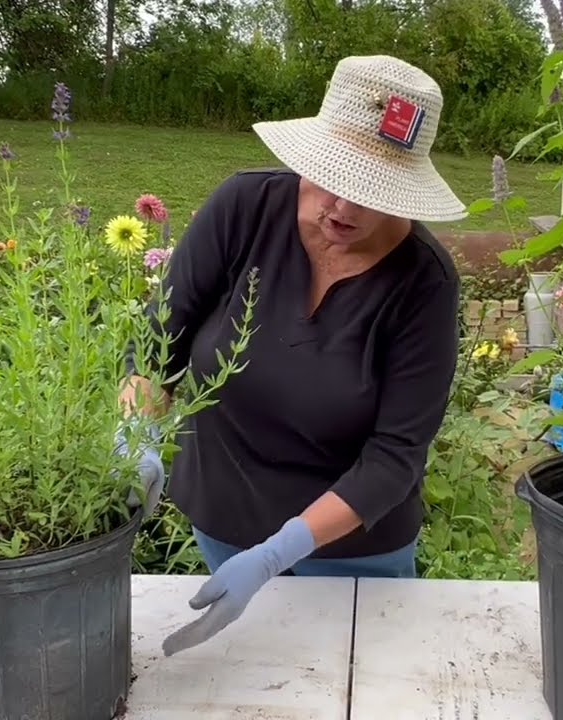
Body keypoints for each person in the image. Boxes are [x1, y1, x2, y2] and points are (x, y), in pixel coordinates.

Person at [119, 55, 466, 658]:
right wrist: (135, 441)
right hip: (222, 518)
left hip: (353, 551)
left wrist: (280, 552)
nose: (345, 209)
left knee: (361, 683)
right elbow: (158, 342)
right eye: (333, 177)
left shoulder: (424, 282)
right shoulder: (244, 209)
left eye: (371, 193)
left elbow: (395, 456)